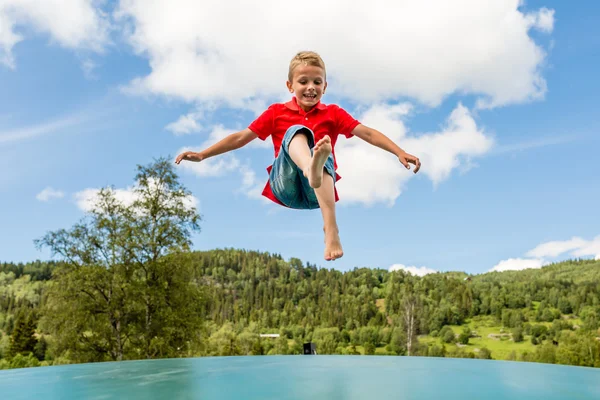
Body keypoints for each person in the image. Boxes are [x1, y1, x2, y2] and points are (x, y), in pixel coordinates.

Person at [175, 51, 421, 261]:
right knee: (297, 133)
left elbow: (366, 133)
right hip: (287, 184)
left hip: (318, 193)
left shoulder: (333, 113)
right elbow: (241, 137)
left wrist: (399, 151)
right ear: (290, 86)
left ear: (325, 86)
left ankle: (329, 225)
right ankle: (310, 166)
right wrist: (203, 155)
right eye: (303, 81)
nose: (311, 87)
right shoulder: (276, 113)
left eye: (317, 81)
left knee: (323, 153)